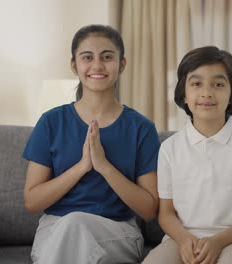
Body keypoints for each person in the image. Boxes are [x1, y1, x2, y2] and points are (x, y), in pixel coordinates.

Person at [22, 24, 160, 264]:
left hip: (117, 230)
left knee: (75, 226)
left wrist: (104, 166)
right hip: (54, 229)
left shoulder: (141, 128)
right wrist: (82, 166)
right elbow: (32, 202)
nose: (97, 65)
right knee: (71, 227)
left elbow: (149, 210)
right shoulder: (50, 122)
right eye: (87, 57)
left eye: (107, 57)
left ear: (122, 64)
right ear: (75, 65)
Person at [143, 46, 232, 264]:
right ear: (184, 95)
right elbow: (166, 214)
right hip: (182, 240)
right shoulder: (169, 148)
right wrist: (184, 238)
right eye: (196, 84)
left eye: (218, 84)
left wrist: (218, 241)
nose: (207, 92)